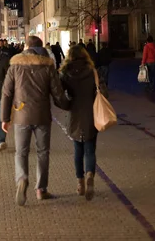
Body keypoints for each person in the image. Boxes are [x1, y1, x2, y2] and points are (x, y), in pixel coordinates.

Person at [1, 35, 70, 206]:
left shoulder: (15, 65)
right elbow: (57, 93)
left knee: (21, 152)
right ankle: (41, 189)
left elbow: (6, 93)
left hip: (21, 115)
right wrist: (69, 106)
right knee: (42, 152)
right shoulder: (48, 66)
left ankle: (22, 179)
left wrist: (4, 118)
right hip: (42, 115)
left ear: (26, 47)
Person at [60, 44, 107, 201]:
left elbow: (60, 94)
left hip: (75, 115)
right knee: (90, 149)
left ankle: (80, 182)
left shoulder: (66, 73)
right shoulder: (92, 71)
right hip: (91, 114)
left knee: (77, 149)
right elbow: (103, 91)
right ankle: (89, 174)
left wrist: (66, 104)